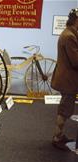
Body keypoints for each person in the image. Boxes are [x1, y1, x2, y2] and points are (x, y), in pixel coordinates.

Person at [51, 8, 78, 151]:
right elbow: (76, 61)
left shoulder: (69, 33)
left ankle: (59, 136)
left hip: (66, 79)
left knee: (64, 109)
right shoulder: (70, 36)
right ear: (76, 20)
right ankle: (57, 138)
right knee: (65, 110)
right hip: (68, 81)